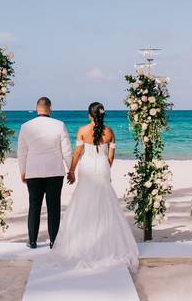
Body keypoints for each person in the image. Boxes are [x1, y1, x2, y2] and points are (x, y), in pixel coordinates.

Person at [44, 102, 139, 271]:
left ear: (89, 114)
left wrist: (71, 170)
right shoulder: (110, 132)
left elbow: (78, 153)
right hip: (102, 167)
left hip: (87, 168)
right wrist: (106, 171)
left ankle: (83, 241)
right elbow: (111, 157)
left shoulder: (82, 130)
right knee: (105, 202)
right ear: (102, 114)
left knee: (84, 201)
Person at [17, 96, 71, 249]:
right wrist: (70, 169)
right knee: (54, 206)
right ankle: (53, 240)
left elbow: (22, 152)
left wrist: (23, 170)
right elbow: (66, 150)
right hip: (54, 170)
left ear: (36, 109)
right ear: (50, 109)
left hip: (33, 171)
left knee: (34, 205)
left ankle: (32, 241)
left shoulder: (26, 126)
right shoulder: (59, 125)